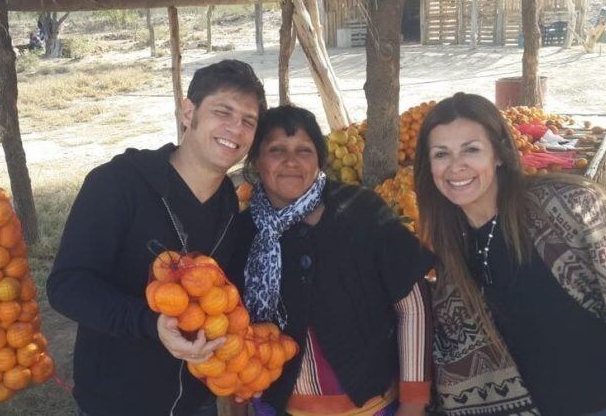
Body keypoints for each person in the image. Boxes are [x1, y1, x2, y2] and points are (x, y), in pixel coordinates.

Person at [414, 92, 606, 416]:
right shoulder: (450, 249)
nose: (456, 166)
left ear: (498, 154)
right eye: (442, 154)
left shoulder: (567, 207)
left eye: (471, 149)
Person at [47, 59, 267, 416]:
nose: (235, 129)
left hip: (198, 402)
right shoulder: (118, 184)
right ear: (188, 111)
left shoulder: (229, 202)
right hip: (118, 402)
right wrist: (149, 324)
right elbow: (67, 286)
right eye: (222, 112)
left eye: (248, 121)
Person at [228, 105, 435, 416]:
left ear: (319, 161)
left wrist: (413, 402)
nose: (291, 161)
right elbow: (232, 326)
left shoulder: (360, 212)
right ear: (256, 161)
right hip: (274, 406)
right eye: (276, 150)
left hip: (372, 407)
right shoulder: (244, 233)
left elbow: (413, 304)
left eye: (304, 150)